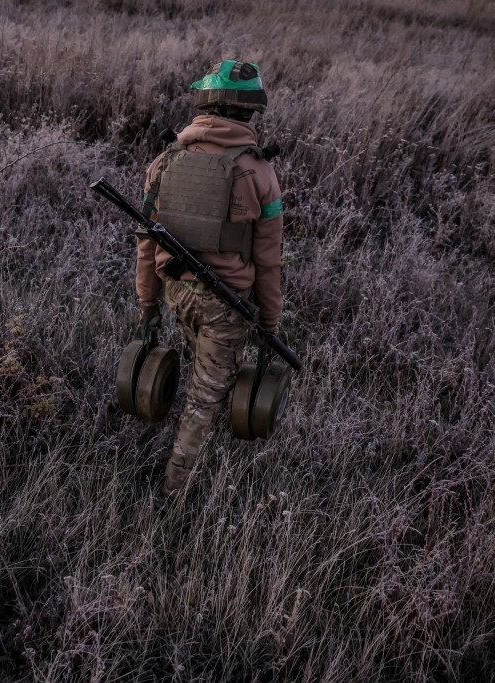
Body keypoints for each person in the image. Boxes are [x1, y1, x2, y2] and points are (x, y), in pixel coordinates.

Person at [137, 59, 284, 496]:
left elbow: (146, 244)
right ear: (248, 112)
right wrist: (270, 322)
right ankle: (174, 496)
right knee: (206, 401)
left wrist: (148, 302)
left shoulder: (165, 160)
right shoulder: (259, 173)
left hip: (176, 292)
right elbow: (269, 260)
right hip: (227, 307)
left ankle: (189, 430)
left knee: (206, 381)